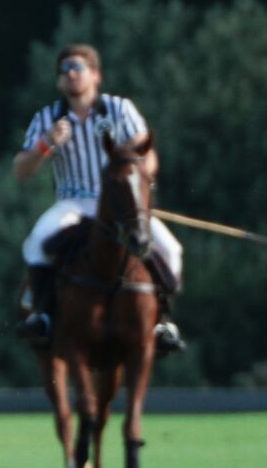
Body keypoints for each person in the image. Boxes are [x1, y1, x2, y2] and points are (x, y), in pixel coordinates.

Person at [12, 43, 185, 353]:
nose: (70, 74)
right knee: (36, 241)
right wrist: (45, 144)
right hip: (73, 204)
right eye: (63, 70)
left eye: (76, 67)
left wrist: (136, 187)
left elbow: (148, 155)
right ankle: (41, 316)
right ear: (58, 81)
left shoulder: (120, 110)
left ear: (95, 75)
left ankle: (163, 323)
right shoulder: (48, 117)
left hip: (120, 206)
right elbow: (21, 170)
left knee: (171, 249)